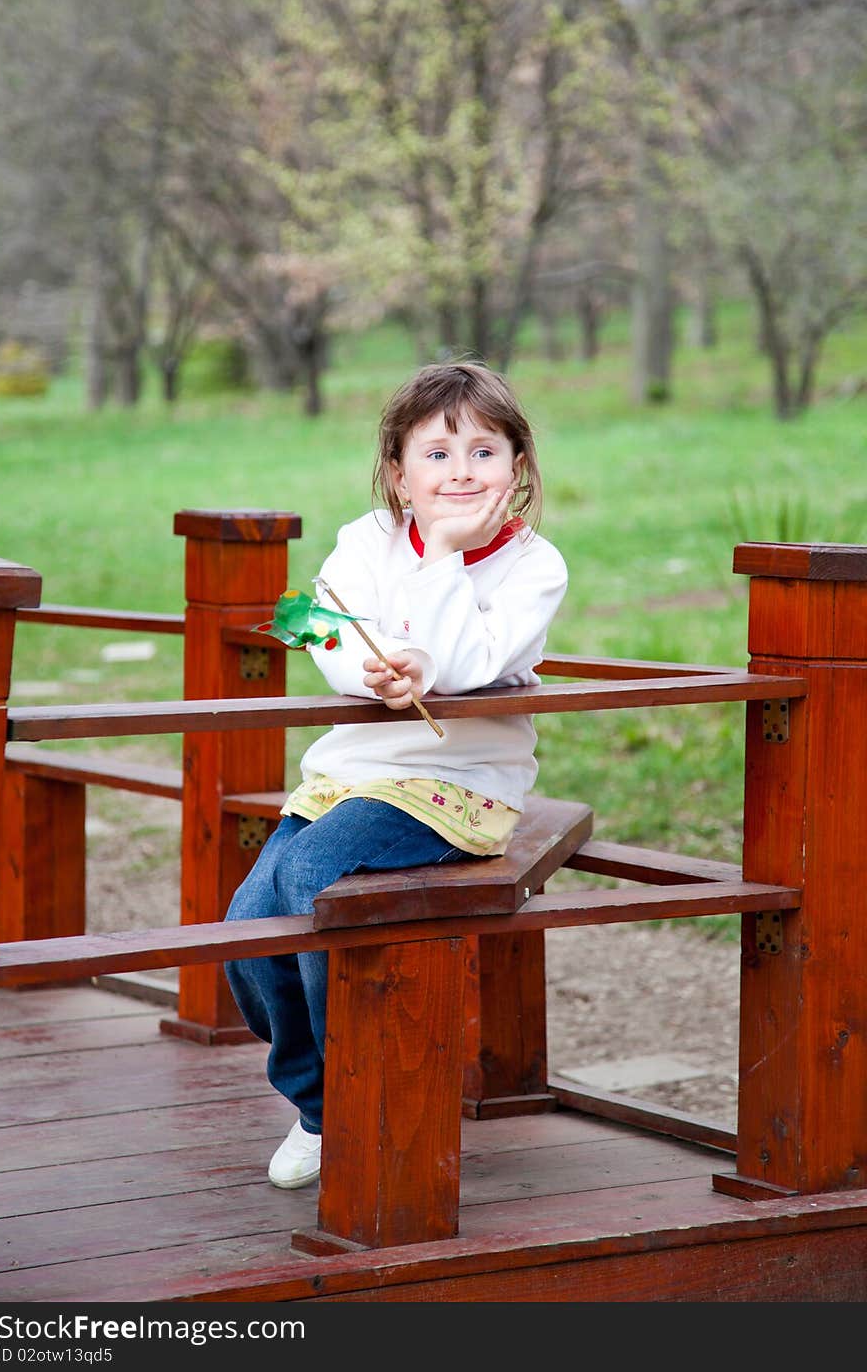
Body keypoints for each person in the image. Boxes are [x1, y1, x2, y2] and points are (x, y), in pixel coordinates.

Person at [224, 360, 568, 1189]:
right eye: (437, 455)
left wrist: (445, 558)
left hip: (459, 784)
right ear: (397, 472)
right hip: (352, 774)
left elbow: (475, 661)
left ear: (517, 467)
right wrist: (378, 672)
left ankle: (362, 1092)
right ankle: (318, 1101)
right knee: (248, 921)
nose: (461, 473)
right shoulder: (364, 542)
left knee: (313, 873)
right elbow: (338, 644)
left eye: (484, 452)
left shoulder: (533, 565)